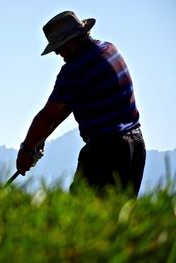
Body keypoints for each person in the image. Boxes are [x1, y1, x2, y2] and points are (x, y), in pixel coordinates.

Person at [16, 11, 146, 196]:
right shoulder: (110, 50)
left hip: (106, 152)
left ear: (72, 42)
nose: (56, 52)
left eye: (59, 47)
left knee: (81, 219)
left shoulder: (74, 70)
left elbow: (49, 115)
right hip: (136, 148)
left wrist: (26, 149)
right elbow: (69, 104)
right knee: (117, 219)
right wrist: (40, 139)